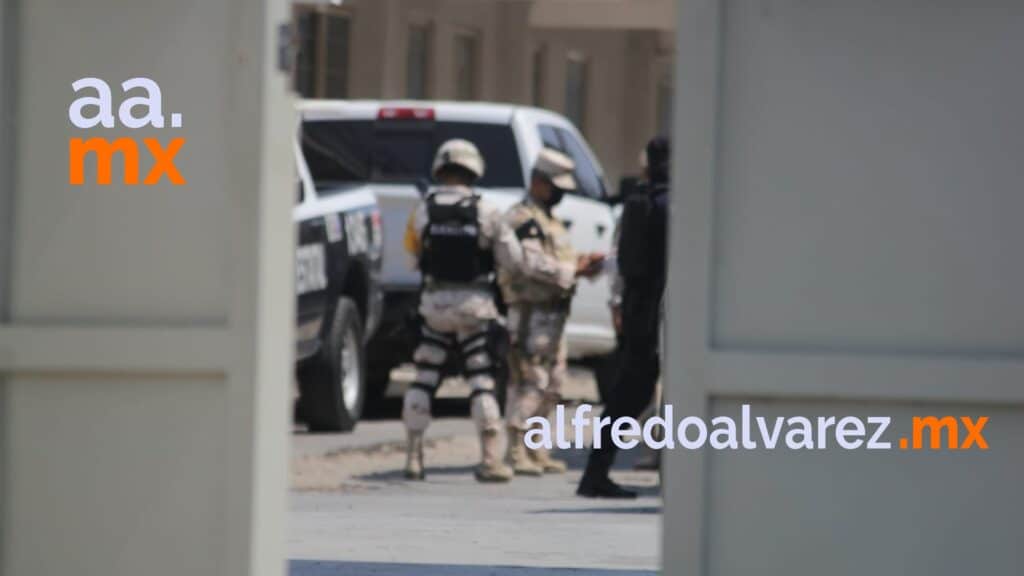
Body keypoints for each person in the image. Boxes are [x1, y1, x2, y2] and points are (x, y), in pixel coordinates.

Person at [401, 139, 523, 483]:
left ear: (440, 170)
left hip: (434, 305)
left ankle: (413, 458)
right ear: (474, 171)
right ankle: (489, 461)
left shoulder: (422, 209)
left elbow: (411, 260)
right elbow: (512, 260)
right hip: (475, 308)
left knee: (424, 376)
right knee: (482, 381)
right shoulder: (487, 210)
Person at [499, 148, 605, 476]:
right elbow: (530, 263)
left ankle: (535, 448)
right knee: (530, 382)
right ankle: (515, 450)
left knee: (554, 384)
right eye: (554, 185)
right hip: (529, 313)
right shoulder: (521, 218)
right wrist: (573, 270)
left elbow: (559, 261)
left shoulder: (550, 220)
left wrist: (584, 265)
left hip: (554, 315)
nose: (560, 193)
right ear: (538, 182)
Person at [577, 136, 670, 498]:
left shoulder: (638, 202)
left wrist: (617, 304)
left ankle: (596, 470)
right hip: (664, 311)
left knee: (629, 394)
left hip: (637, 310)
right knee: (649, 393)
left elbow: (621, 261)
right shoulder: (675, 204)